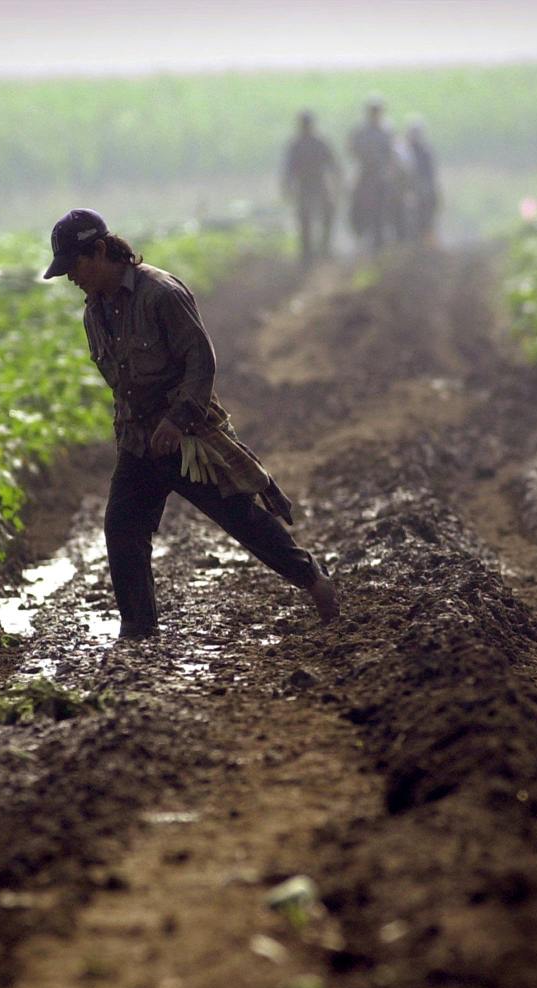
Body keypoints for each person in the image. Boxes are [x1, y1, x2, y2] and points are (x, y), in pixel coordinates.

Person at [42, 208, 340, 640]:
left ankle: (314, 580)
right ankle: (138, 629)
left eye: (76, 265)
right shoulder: (95, 315)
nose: (72, 277)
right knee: (122, 528)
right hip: (139, 442)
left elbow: (201, 361)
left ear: (102, 251)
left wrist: (178, 421)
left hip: (186, 439)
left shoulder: (161, 293)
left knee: (241, 519)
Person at [281, 110, 340, 265]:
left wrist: (337, 183)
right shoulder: (296, 144)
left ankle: (324, 248)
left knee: (327, 214)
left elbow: (333, 164)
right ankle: (307, 253)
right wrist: (287, 186)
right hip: (305, 185)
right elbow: (289, 168)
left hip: (318, 183)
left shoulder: (319, 142)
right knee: (305, 219)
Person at [346, 94, 402, 253]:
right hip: (365, 172)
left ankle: (389, 238)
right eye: (373, 111)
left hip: (382, 174)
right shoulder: (361, 131)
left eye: (377, 111)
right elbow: (351, 149)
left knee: (391, 204)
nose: (375, 113)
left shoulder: (387, 130)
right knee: (355, 201)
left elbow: (393, 153)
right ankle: (360, 234)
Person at [402, 115, 441, 243]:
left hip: (422, 186)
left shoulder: (425, 151)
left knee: (428, 204)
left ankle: (428, 232)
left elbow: (430, 172)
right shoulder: (403, 151)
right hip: (407, 186)